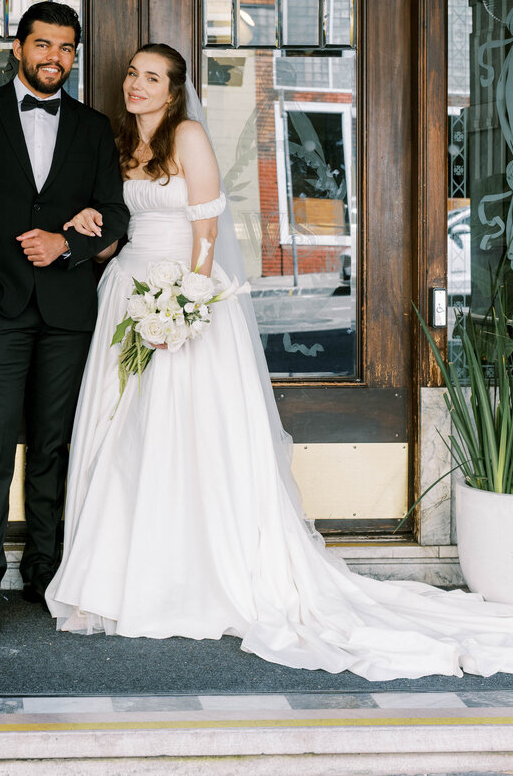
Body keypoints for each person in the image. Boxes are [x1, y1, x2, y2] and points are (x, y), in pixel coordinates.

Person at [45, 42, 513, 681]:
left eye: (151, 78)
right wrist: (87, 228)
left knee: (180, 435)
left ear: (174, 90)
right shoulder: (122, 143)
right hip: (126, 290)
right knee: (119, 432)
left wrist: (185, 304)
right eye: (132, 75)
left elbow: (206, 232)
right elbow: (120, 231)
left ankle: (191, 576)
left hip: (180, 294)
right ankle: (120, 577)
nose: (135, 85)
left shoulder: (187, 138)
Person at [0, 1, 129, 642]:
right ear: (19, 48)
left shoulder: (93, 127)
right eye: (43, 45)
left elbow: (116, 215)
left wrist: (67, 245)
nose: (54, 58)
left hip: (68, 312)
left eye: (66, 48)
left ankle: (44, 572)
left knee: (52, 446)